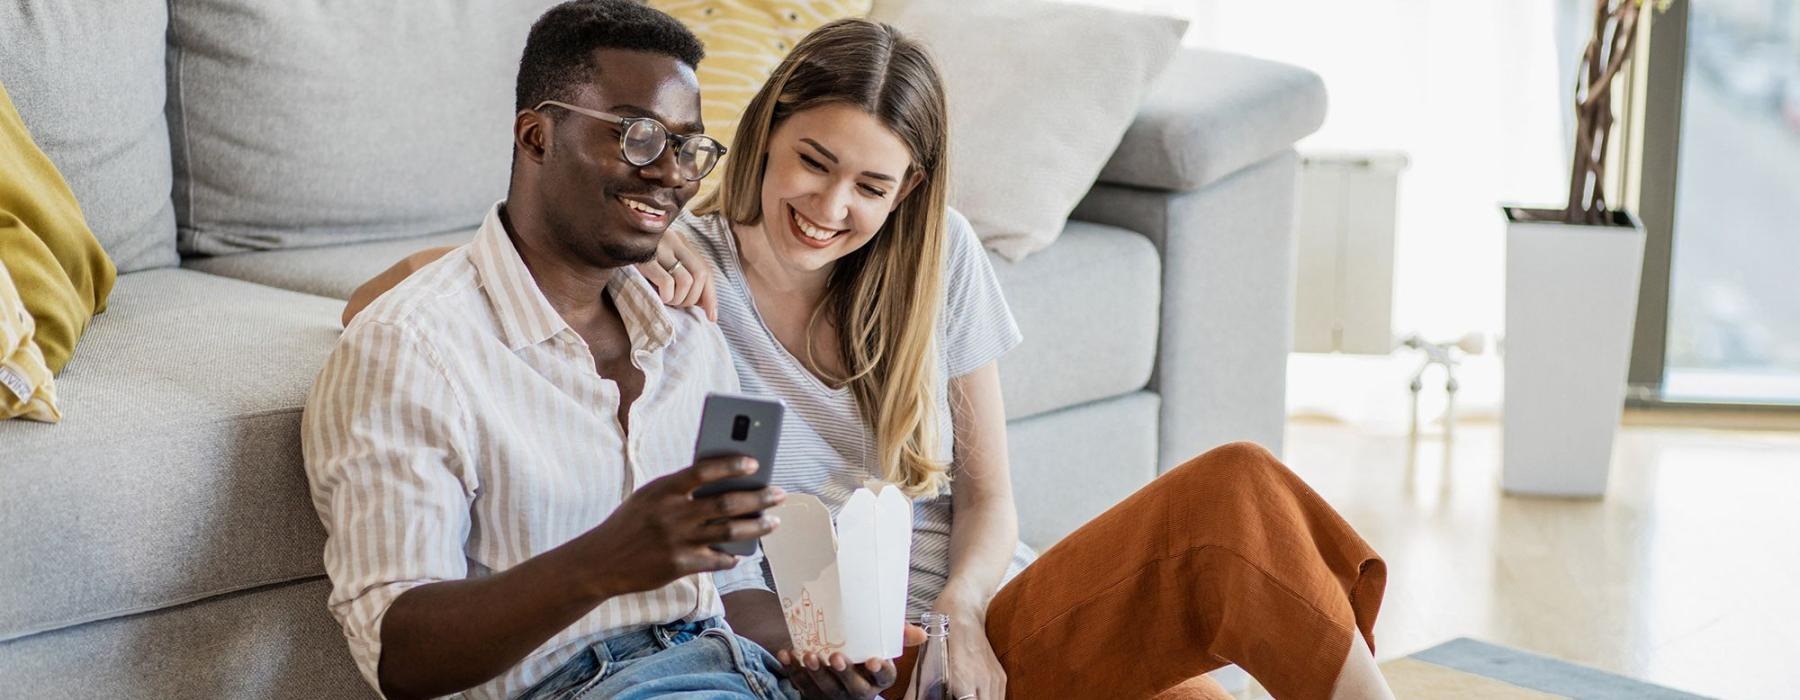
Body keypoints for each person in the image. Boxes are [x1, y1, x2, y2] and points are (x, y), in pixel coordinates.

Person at [346, 17, 1393, 700]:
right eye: (813, 161)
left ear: (909, 192)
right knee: (1228, 531)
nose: (830, 207)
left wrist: (965, 618)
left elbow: (991, 504)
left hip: (978, 623)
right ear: (768, 131)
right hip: (841, 650)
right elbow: (398, 295)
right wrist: (656, 234)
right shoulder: (677, 274)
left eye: (871, 186)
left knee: (1233, 536)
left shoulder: (940, 260)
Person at [304, 3, 913, 698]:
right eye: (640, 137)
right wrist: (604, 562)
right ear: (536, 136)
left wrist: (810, 652)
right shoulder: (411, 351)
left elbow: (732, 586)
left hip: (738, 676)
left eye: (688, 148)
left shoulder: (688, 334)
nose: (673, 174)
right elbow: (397, 655)